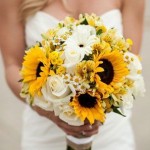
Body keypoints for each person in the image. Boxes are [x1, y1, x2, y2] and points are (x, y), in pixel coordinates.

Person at [0, 0, 145, 150]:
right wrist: (45, 110)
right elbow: (12, 66)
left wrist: (102, 104)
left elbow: (130, 64)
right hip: (44, 136)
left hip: (111, 135)